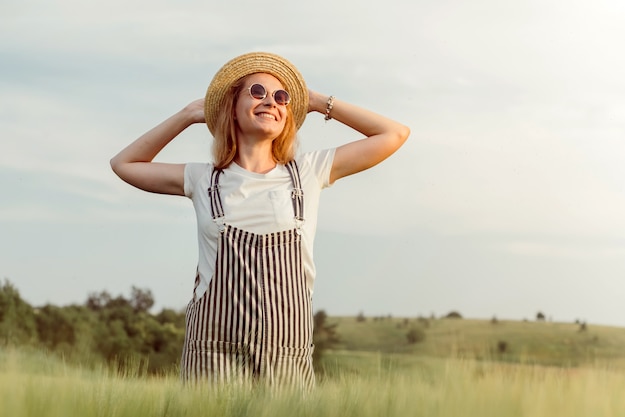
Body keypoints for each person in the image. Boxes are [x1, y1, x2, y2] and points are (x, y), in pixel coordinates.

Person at [110, 52, 410, 390]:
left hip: (286, 353)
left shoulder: (309, 172)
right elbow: (125, 164)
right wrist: (186, 115)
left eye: (282, 97)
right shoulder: (202, 178)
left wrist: (314, 100)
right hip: (212, 352)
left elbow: (394, 134)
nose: (272, 101)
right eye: (257, 92)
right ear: (232, 108)